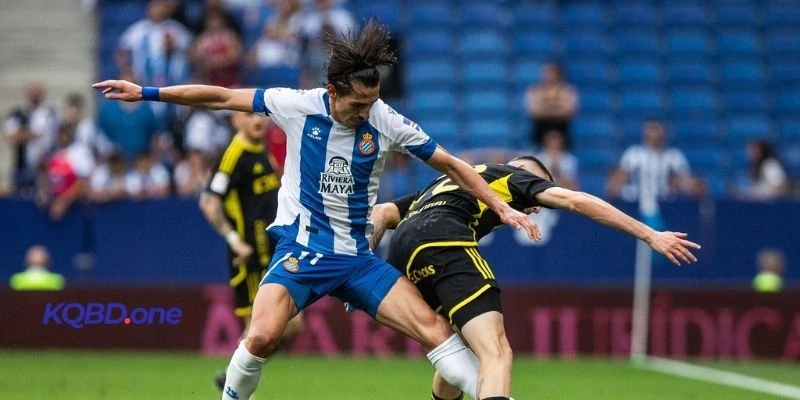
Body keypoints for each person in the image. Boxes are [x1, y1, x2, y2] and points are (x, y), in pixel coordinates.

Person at [93, 20, 540, 400]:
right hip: (302, 251)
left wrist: (499, 205)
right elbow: (219, 97)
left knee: (436, 331)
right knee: (263, 337)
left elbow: (449, 163)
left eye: (373, 102)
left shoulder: (384, 118)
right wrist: (146, 92)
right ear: (332, 91)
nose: (367, 112)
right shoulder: (296, 105)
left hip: (358, 260)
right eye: (358, 104)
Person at [369, 155, 701, 400]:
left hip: (402, 253)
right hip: (444, 239)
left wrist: (363, 267)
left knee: (463, 352)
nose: (537, 203)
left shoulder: (456, 181)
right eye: (541, 186)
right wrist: (649, 234)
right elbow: (576, 201)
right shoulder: (514, 177)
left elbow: (381, 213)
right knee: (496, 352)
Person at [198, 110, 302, 390]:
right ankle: (237, 388)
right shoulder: (234, 154)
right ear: (235, 120)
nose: (257, 120)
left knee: (290, 324)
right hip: (251, 257)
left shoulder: (262, 151)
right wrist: (234, 241)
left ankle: (232, 378)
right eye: (248, 114)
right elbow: (208, 202)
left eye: (261, 114)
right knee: (258, 332)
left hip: (275, 252)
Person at [606, 119, 702, 202]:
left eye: (656, 129)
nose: (652, 133)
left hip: (665, 204)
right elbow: (618, 181)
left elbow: (685, 181)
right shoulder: (633, 154)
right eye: (649, 129)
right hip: (636, 203)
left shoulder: (674, 155)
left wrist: (693, 186)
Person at [3, 82, 58, 196]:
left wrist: (25, 135)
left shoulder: (49, 114)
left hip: (44, 167)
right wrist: (33, 134)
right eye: (32, 92)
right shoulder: (18, 114)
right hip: (22, 166)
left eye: (37, 92)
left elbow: (54, 136)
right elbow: (11, 137)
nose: (34, 95)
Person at [525, 62, 578, 148]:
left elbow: (569, 110)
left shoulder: (568, 91)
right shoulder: (535, 90)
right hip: (539, 130)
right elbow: (533, 110)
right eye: (547, 73)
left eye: (552, 73)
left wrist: (545, 107)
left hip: (562, 129)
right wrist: (557, 107)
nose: (549, 76)